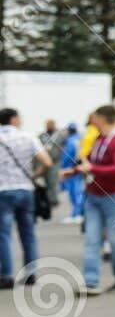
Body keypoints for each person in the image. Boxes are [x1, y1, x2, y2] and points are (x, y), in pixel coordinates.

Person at [66, 104, 115, 296]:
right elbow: (89, 162)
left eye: (94, 117)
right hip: (94, 195)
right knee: (92, 239)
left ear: (103, 118)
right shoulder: (99, 139)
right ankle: (91, 281)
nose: (91, 120)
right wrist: (73, 171)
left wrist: (92, 170)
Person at [0, 108, 48, 290]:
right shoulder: (28, 137)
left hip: (3, 191)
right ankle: (30, 274)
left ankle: (6, 275)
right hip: (26, 190)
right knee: (28, 233)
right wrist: (34, 176)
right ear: (13, 119)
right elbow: (47, 161)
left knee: (3, 235)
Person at [39, 119, 64, 215]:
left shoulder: (59, 135)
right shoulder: (42, 136)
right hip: (45, 161)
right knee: (47, 181)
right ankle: (49, 199)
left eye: (50, 124)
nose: (49, 126)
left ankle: (54, 200)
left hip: (55, 161)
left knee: (54, 181)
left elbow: (63, 147)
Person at [61, 123, 84, 224]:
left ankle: (77, 214)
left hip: (71, 169)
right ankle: (77, 214)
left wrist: (63, 168)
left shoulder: (70, 141)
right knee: (78, 191)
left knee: (75, 192)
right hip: (79, 168)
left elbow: (67, 157)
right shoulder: (80, 139)